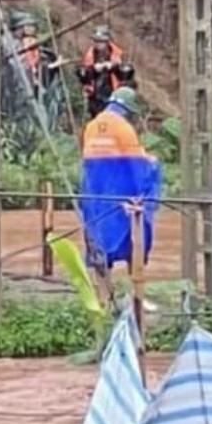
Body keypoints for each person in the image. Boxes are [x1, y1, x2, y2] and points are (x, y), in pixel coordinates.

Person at [79, 86, 162, 303]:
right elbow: (135, 167)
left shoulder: (91, 126)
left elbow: (89, 164)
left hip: (96, 198)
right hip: (121, 197)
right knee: (135, 240)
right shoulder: (124, 129)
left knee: (98, 244)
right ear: (128, 111)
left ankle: (104, 296)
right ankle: (135, 296)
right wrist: (144, 187)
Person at [78, 25, 135, 118]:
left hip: (115, 97)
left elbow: (128, 74)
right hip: (95, 99)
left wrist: (114, 66)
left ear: (107, 41)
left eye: (101, 41)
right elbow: (82, 76)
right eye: (96, 41)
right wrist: (93, 69)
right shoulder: (90, 55)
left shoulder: (118, 54)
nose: (98, 44)